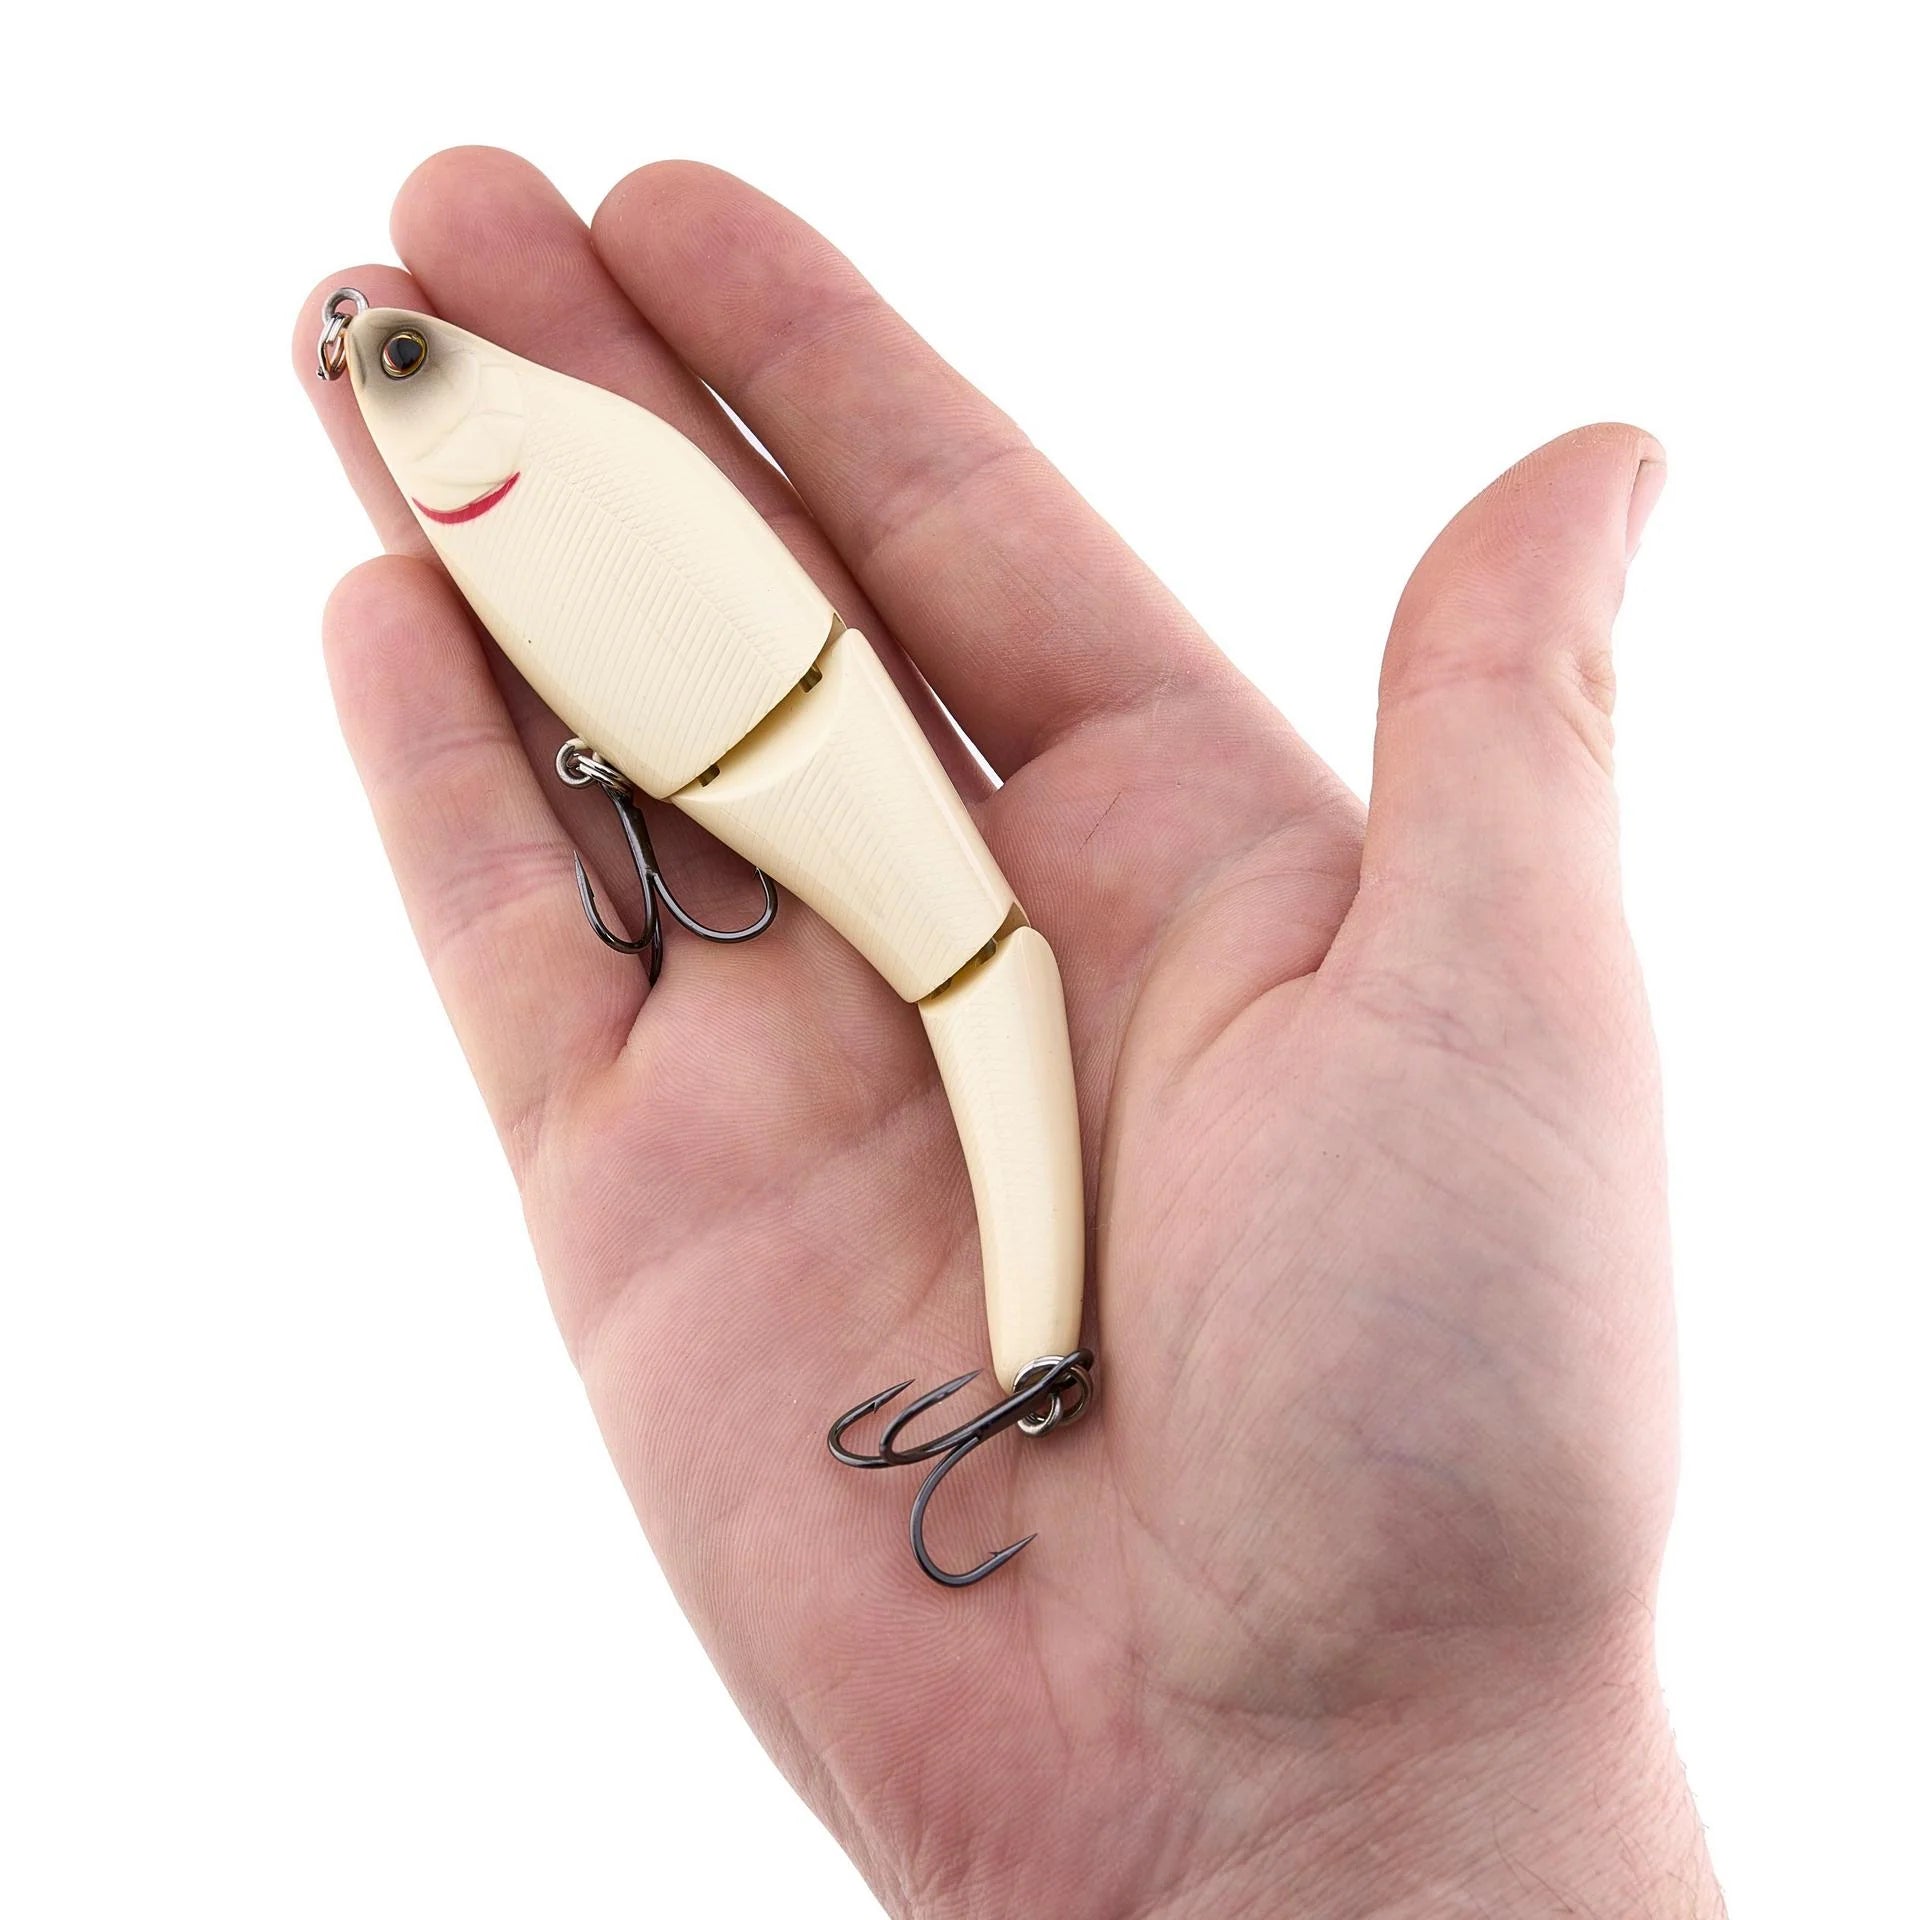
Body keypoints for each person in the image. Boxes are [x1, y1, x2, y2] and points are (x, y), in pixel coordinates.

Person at [297, 146, 1721, 1918]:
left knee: (989, 983)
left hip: (791, 747)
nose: (396, 377)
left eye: (404, 359)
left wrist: (1395, 1785)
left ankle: (1037, 1346)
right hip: (744, 761)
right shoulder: (507, 483)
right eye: (389, 366)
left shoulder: (534, 450)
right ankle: (1034, 1346)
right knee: (980, 983)